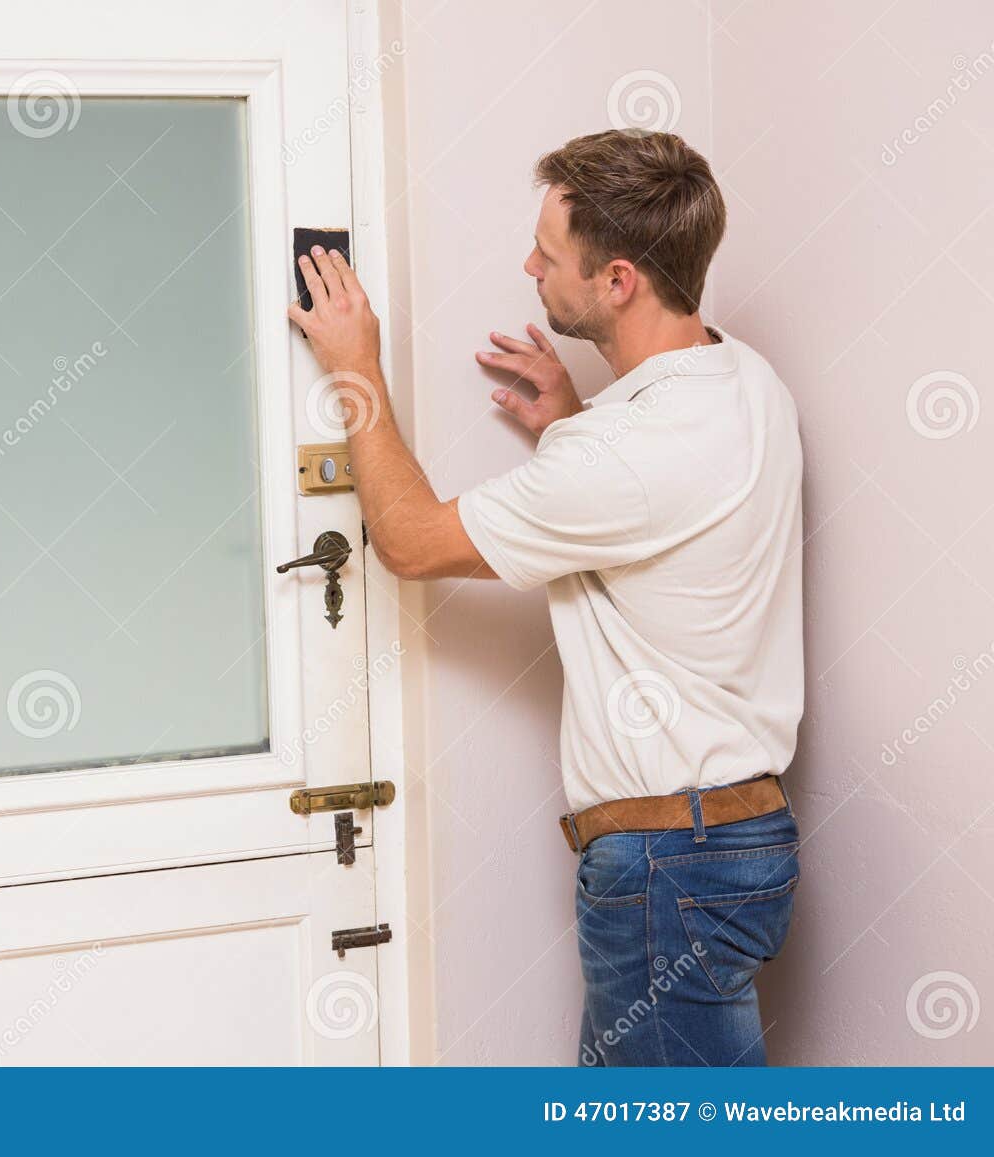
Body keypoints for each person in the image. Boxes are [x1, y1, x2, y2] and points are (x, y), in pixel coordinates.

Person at [288, 129, 804, 1066]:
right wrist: (572, 423)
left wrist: (355, 368)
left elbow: (407, 542)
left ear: (617, 281)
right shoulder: (747, 380)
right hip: (734, 845)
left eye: (548, 254)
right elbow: (658, 516)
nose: (528, 266)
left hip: (666, 869)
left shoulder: (625, 459)